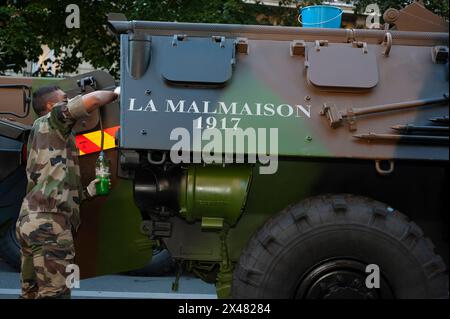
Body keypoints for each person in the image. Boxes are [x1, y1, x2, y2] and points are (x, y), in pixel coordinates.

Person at [15, 85, 119, 298]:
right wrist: (119, 92)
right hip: (50, 225)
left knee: (31, 294)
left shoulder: (48, 135)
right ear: (51, 106)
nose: (69, 100)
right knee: (56, 293)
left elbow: (57, 187)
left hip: (31, 222)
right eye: (65, 98)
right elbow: (93, 100)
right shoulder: (53, 119)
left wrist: (89, 191)